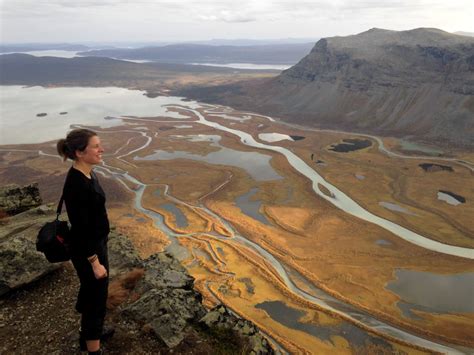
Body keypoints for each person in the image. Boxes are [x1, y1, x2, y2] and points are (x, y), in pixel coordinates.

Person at [57, 128, 112, 354]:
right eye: (96, 146)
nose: (102, 150)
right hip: (89, 250)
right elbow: (81, 229)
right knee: (95, 300)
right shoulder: (77, 184)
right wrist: (94, 262)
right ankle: (93, 349)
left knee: (94, 292)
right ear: (80, 153)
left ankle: (88, 334)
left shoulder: (88, 172)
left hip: (97, 243)